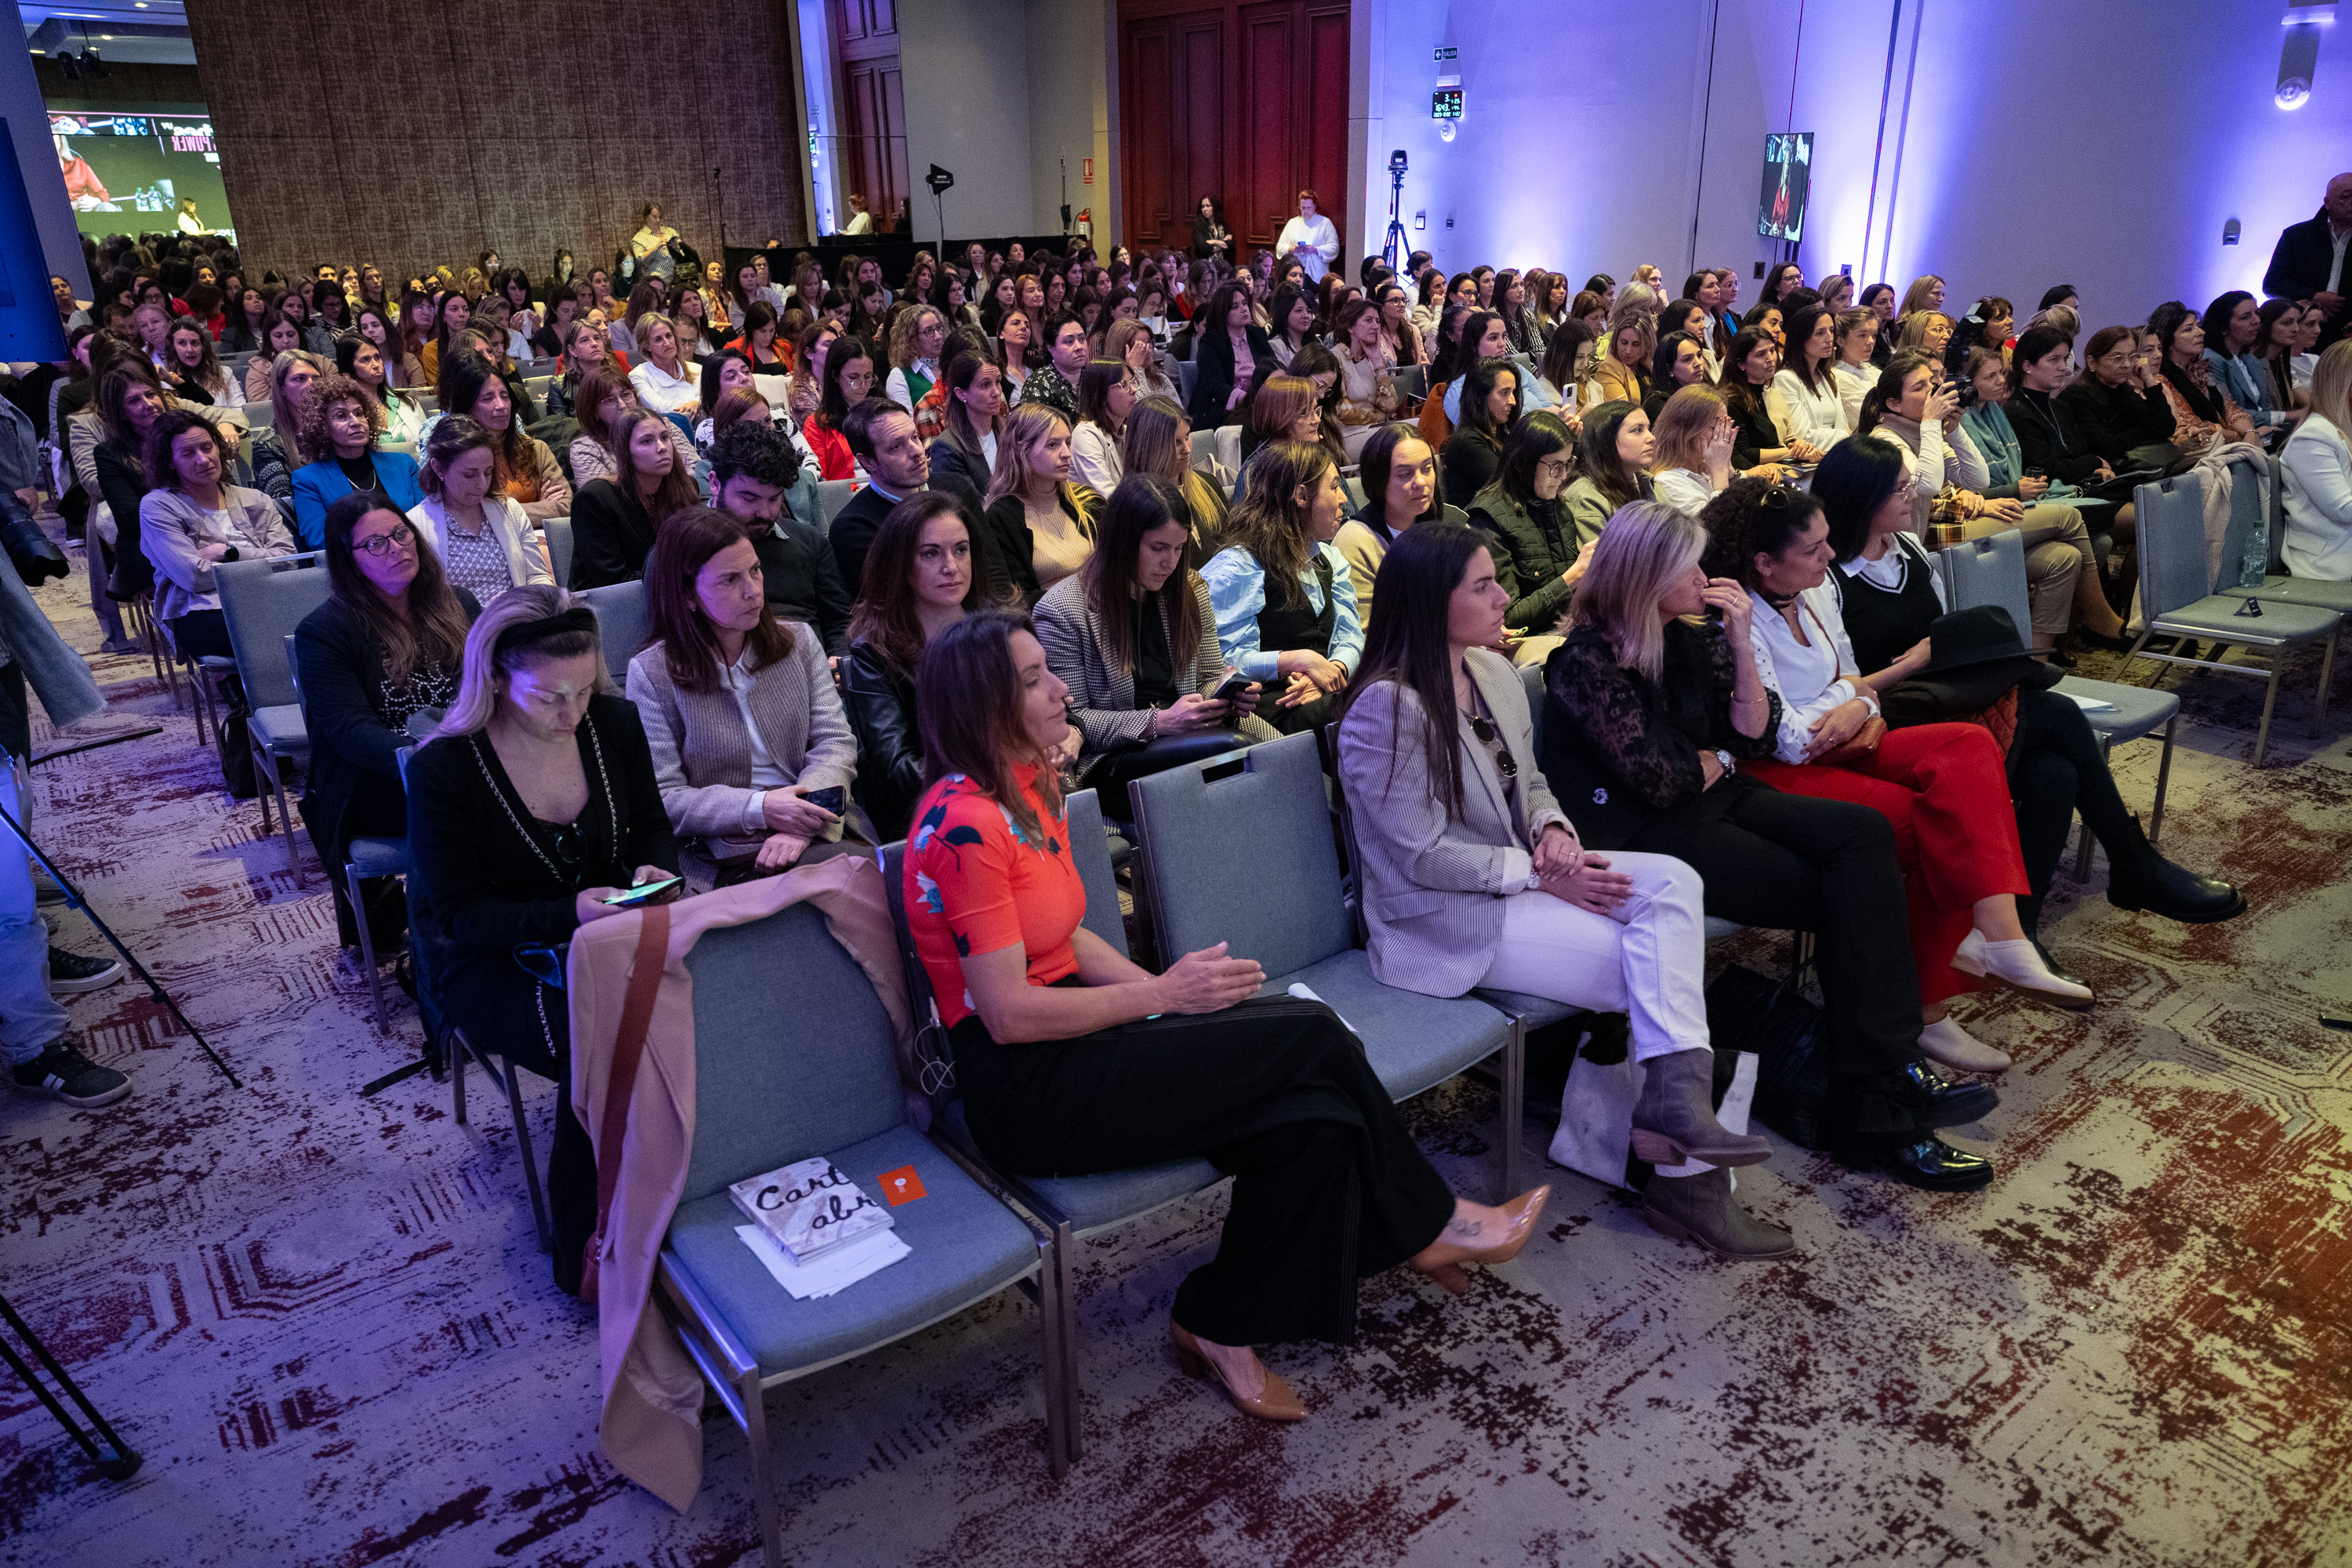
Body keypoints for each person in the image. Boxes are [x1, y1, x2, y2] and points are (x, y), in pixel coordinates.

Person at [907, 609, 1544, 1421]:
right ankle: (1426, 1223)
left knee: (1310, 1118)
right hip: (1027, 1085)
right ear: (982, 707)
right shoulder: (961, 826)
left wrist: (1167, 997)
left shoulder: (1028, 786)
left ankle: (1219, 1319)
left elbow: (1063, 935)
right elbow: (1005, 1015)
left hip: (1084, 1031)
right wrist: (1163, 999)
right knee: (1310, 1036)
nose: (1061, 689)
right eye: (1035, 679)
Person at [1338, 518, 1792, 1254]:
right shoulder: (1386, 707)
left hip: (1520, 877)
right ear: (1430, 602)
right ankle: (1689, 1180)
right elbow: (1420, 856)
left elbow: (1533, 782)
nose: (1505, 598)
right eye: (1484, 586)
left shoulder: (1490, 673)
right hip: (1440, 916)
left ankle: (1671, 1117)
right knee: (1655, 967)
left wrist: (1553, 831)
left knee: (1675, 882)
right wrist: (1543, 877)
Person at [1537, 499, 2000, 1189]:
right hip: (1653, 836)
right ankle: (1886, 1099)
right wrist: (1711, 757)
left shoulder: (1690, 635)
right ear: (1647, 577)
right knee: (1849, 895)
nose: (1705, 578)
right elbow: (1661, 783)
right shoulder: (1584, 663)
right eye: (1689, 568)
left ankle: (1885, 1079)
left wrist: (1741, 645)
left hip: (1718, 797)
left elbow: (1751, 737)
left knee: (1866, 836)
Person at [1811, 440, 2243, 993]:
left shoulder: (1909, 551)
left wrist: (1948, 655)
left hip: (1945, 701)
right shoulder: (1828, 580)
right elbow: (1843, 695)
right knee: (2056, 712)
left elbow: (1947, 639)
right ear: (1861, 498)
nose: (1914, 495)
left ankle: (2022, 928)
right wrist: (1914, 663)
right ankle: (2132, 863)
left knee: (2054, 774)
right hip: (1887, 724)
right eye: (1899, 488)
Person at [1700, 477, 2090, 1038]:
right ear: (1764, 563)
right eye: (1813, 549)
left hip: (1839, 740)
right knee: (1927, 818)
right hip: (1771, 772)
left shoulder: (1814, 591)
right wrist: (1850, 699)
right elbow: (1785, 738)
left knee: (1967, 744)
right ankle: (1923, 1006)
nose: (1830, 555)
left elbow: (1854, 679)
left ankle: (1998, 934)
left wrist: (1856, 704)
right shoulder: (1735, 619)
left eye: (1827, 541)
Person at [406, 585, 678, 1292]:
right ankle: (592, 1246)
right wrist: (569, 914)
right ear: (495, 679)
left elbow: (651, 826)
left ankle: (687, 1195)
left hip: (610, 933)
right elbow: (459, 918)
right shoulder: (446, 768)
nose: (572, 713)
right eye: (549, 697)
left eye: (584, 690)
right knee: (602, 1036)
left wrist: (655, 868)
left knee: (704, 996)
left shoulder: (612, 723)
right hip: (497, 964)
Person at [626, 507, 857, 887]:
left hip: (819, 823)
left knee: (859, 883)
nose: (753, 590)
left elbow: (835, 743)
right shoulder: (651, 673)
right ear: (688, 596)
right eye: (730, 580)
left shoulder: (798, 641)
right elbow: (666, 797)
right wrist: (761, 809)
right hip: (723, 848)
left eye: (755, 570)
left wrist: (804, 820)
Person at [298, 494, 482, 953]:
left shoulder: (458, 604)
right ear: (349, 560)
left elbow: (497, 683)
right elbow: (351, 731)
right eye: (376, 544)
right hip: (380, 779)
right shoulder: (325, 631)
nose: (396, 548)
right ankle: (449, 948)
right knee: (477, 810)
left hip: (469, 759)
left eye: (401, 534)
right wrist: (429, 759)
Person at [1035, 472, 1274, 800]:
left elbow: (1207, 678)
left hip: (1190, 733)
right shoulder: (1063, 610)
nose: (1170, 563)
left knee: (1284, 756)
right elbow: (1072, 721)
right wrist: (1159, 722)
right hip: (1116, 756)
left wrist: (1225, 695)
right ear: (1122, 542)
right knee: (1236, 753)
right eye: (1158, 548)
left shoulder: (1190, 590)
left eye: (1179, 549)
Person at [1958, 350, 2135, 652]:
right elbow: (1963, 491)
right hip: (1976, 517)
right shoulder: (1958, 422)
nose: (2001, 381)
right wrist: (2014, 491)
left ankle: (2043, 653)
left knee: (2077, 552)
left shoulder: (1995, 413)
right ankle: (2100, 619)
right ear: (1967, 383)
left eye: (2002, 373)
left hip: (2009, 504)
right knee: (2071, 518)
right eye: (1990, 376)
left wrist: (2032, 488)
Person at [841, 492, 993, 840]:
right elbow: (899, 772)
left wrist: (1070, 731)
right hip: (932, 816)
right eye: (931, 554)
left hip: (1008, 787)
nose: (951, 566)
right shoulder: (874, 653)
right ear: (901, 565)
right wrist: (992, 765)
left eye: (961, 550)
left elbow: (1049, 703)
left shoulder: (997, 626)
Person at [1203, 441, 1359, 734]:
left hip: (1321, 695)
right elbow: (1220, 663)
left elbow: (1350, 637)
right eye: (1335, 487)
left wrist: (1331, 671)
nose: (1343, 500)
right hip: (1267, 708)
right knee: (1369, 704)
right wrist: (1296, 660)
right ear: (1301, 496)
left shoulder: (1330, 559)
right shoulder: (1239, 565)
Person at [137, 410, 296, 664]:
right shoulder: (158, 506)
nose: (203, 459)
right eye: (188, 453)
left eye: (207, 447)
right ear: (170, 462)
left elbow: (287, 561)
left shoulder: (255, 499)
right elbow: (193, 577)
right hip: (203, 611)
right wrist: (259, 564)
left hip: (268, 598)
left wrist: (226, 553)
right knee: (283, 630)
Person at [707, 419, 849, 655]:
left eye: (774, 498)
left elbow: (841, 623)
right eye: (749, 498)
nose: (764, 513)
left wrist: (839, 658)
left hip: (814, 664)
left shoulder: (810, 541)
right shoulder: (681, 549)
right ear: (715, 484)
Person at [406, 415, 554, 606]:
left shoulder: (510, 510)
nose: (482, 484)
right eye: (470, 475)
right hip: (459, 623)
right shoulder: (417, 526)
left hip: (519, 616)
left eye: (488, 472)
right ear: (439, 469)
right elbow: (422, 605)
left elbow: (536, 576)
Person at [1334, 423, 1454, 630]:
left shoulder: (1438, 530)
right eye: (1405, 474)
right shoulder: (1355, 543)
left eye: (1427, 469)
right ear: (1378, 481)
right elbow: (1366, 636)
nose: (1421, 482)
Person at [981, 402, 1102, 603]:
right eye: (1052, 445)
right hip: (1046, 619)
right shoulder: (1001, 517)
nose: (1067, 453)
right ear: (1022, 451)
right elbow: (1018, 599)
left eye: (1068, 443)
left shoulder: (1086, 500)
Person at [289, 374, 426, 550]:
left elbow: (424, 523)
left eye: (359, 413)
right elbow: (320, 541)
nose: (356, 422)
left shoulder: (404, 464)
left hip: (410, 553)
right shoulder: (307, 479)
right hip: (353, 565)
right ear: (322, 426)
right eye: (341, 416)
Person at [569, 407, 702, 590]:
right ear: (625, 451)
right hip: (610, 603)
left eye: (664, 437)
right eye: (647, 441)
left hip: (672, 595)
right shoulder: (595, 499)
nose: (662, 447)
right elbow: (613, 580)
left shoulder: (686, 488)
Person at [437, 351, 571, 523]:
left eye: (505, 396)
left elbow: (565, 507)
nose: (501, 406)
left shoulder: (537, 450)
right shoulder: (462, 462)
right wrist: (542, 506)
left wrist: (505, 511)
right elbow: (477, 516)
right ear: (467, 408)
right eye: (488, 398)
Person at [1121, 394, 1229, 561]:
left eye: (1187, 437)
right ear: (1149, 448)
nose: (1187, 449)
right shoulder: (1129, 508)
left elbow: (1230, 547)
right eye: (1176, 442)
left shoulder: (1208, 484)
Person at [2282, 339, 2352, 578]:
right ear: (2345, 385)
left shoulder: (2342, 428)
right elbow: (2343, 509)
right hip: (2329, 564)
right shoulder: (2313, 436)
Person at [2147, 300, 2256, 452]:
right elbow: (2192, 425)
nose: (2201, 332)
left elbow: (2230, 409)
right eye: (2189, 329)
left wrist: (2250, 432)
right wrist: (2239, 438)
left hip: (2227, 445)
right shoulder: (2162, 379)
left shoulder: (2198, 370)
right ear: (2169, 341)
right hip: (2203, 451)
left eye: (2198, 326)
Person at [2260, 171, 2352, 351]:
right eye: (2346, 197)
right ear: (2327, 202)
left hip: (2346, 336)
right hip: (2299, 333)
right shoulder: (2297, 236)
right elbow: (2272, 284)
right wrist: (2314, 296)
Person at [2201, 291, 2299, 437]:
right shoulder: (2212, 360)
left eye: (2256, 313)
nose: (2256, 321)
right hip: (2241, 436)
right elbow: (2229, 412)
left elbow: (2266, 407)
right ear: (2223, 328)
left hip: (2264, 432)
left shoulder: (2251, 359)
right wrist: (2291, 416)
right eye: (2245, 317)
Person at [1560, 399, 1654, 546]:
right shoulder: (1585, 496)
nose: (1651, 438)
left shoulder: (1648, 482)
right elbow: (1601, 559)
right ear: (1607, 439)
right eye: (1638, 430)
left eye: (1648, 428)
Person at [1189, 282, 1276, 430]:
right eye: (1235, 307)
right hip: (1224, 410)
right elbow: (1216, 386)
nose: (1244, 309)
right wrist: (1249, 400)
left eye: (1244, 303)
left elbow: (1273, 369)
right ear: (1223, 315)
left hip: (1260, 405)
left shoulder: (1257, 335)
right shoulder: (1211, 342)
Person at [1647, 384, 1740, 520]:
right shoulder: (1668, 483)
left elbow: (1751, 509)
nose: (1724, 433)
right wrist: (1720, 470)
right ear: (1687, 431)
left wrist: (1730, 471)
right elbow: (1717, 527)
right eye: (1716, 426)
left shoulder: (1708, 468)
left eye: (1725, 425)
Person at [1440, 356, 1521, 510]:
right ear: (1480, 397)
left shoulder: (1502, 435)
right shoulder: (1466, 442)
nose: (1513, 401)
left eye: (1513, 392)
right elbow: (1509, 489)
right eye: (1504, 393)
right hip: (1474, 523)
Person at [927, 350, 1005, 494]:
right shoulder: (947, 447)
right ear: (961, 393)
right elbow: (966, 505)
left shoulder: (1010, 431)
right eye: (985, 385)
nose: (996, 392)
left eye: (998, 382)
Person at [804, 332, 874, 481]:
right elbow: (820, 481)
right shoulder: (817, 424)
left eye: (868, 377)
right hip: (847, 492)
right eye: (853, 378)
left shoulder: (883, 412)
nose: (862, 385)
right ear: (835, 375)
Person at [1069, 358, 1135, 496]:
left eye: (1133, 382)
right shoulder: (1086, 435)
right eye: (1124, 385)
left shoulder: (1126, 431)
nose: (1134, 390)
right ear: (1101, 395)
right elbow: (1106, 495)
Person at [1020, 312, 1092, 422]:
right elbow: (1033, 428)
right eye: (1069, 341)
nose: (1079, 347)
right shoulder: (1040, 383)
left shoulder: (1094, 377)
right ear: (1051, 348)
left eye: (1082, 339)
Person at [625, 313, 700, 419]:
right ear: (647, 346)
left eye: (669, 336)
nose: (667, 343)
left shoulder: (698, 369)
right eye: (658, 339)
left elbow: (714, 399)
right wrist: (698, 402)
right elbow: (662, 410)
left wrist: (697, 403)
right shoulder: (638, 376)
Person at [885, 303, 947, 412]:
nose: (938, 336)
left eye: (938, 328)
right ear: (912, 338)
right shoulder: (900, 376)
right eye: (928, 331)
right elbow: (906, 421)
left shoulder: (951, 364)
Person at [163, 320, 235, 406]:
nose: (190, 349)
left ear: (203, 347)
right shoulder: (165, 383)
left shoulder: (225, 373)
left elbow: (241, 407)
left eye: (194, 343)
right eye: (182, 343)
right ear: (172, 348)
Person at [1191, 194, 1232, 261]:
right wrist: (1223, 244)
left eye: (1208, 206)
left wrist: (1213, 241)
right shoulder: (1198, 225)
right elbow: (1202, 246)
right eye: (1203, 207)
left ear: (1215, 207)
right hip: (1205, 263)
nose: (1205, 209)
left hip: (1223, 262)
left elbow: (1230, 244)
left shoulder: (1223, 223)